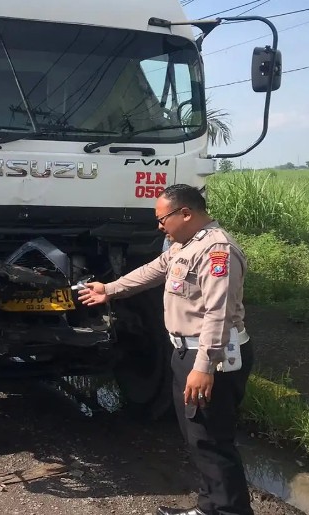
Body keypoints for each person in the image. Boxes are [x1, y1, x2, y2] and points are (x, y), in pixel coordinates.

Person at [79, 184, 254, 515]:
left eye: (163, 219)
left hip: (212, 358)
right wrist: (109, 289)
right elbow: (152, 271)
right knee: (196, 437)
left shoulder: (217, 251)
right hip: (186, 353)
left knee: (213, 440)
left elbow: (218, 314)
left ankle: (231, 511)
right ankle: (210, 507)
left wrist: (204, 366)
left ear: (185, 213)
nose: (159, 226)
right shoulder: (184, 246)